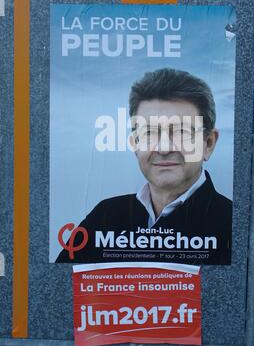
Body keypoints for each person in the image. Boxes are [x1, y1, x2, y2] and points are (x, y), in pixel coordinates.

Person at [56, 68, 232, 265]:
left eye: (181, 131)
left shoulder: (231, 224)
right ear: (135, 144)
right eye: (150, 132)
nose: (164, 148)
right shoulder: (105, 215)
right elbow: (58, 289)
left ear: (208, 143)